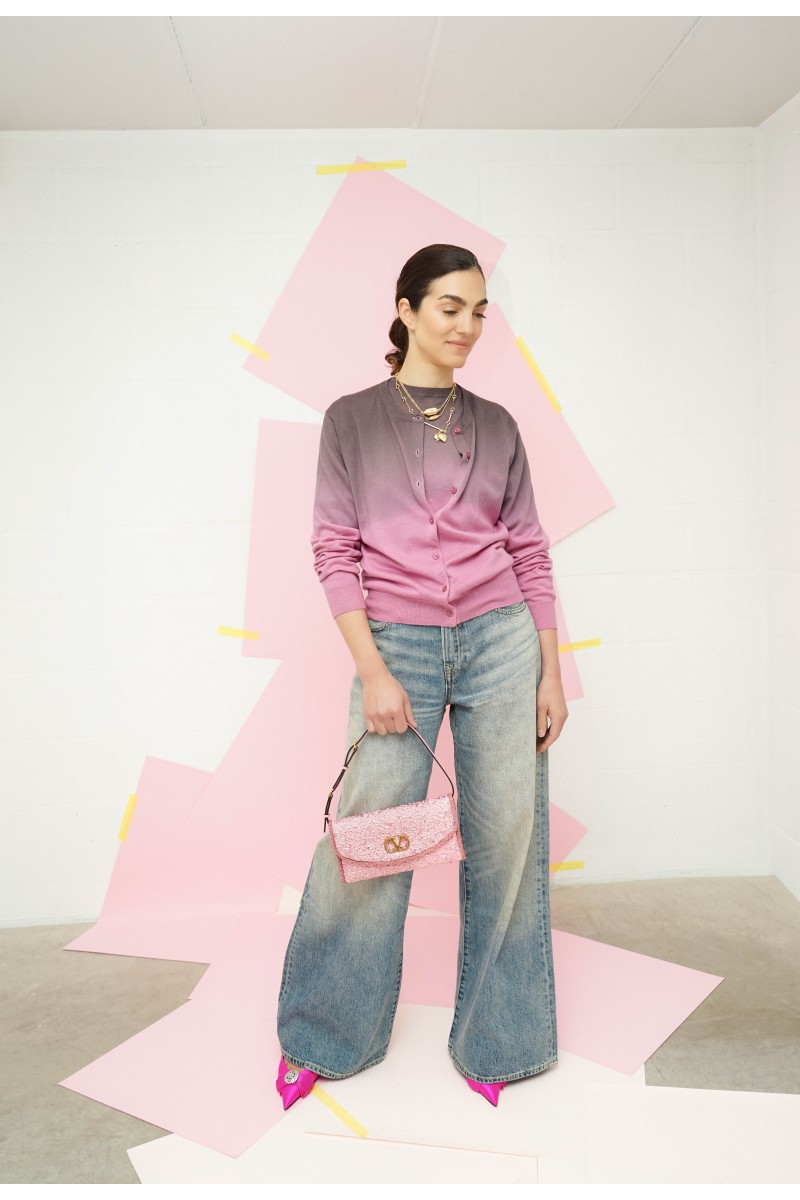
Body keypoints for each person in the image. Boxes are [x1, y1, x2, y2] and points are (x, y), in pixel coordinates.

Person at [275, 243, 569, 1109]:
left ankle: (500, 1041)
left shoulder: (499, 425)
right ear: (405, 311)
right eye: (450, 307)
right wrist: (372, 669)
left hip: (503, 644)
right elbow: (334, 549)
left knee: (508, 840)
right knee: (371, 839)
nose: (467, 326)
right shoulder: (352, 420)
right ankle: (327, 1034)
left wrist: (551, 674)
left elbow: (530, 550)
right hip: (395, 644)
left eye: (479, 311)